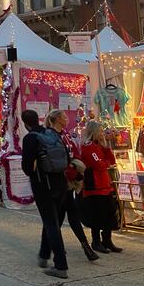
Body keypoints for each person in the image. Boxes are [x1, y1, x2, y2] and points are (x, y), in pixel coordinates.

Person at [21, 109, 70, 279]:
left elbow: (27, 168)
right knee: (50, 219)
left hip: (43, 185)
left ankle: (61, 265)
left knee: (51, 222)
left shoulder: (29, 138)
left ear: (25, 123)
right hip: (60, 183)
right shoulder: (51, 133)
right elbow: (67, 158)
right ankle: (43, 255)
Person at [45, 111, 99, 262]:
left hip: (68, 184)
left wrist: (78, 167)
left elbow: (73, 152)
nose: (67, 119)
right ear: (57, 120)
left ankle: (79, 247)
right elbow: (57, 160)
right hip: (60, 182)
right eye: (64, 117)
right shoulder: (51, 136)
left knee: (67, 216)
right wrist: (72, 173)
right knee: (60, 217)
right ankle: (56, 248)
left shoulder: (66, 135)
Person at [79, 121, 123, 254]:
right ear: (94, 132)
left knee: (109, 212)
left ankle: (107, 240)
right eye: (100, 131)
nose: (102, 134)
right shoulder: (88, 146)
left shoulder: (100, 145)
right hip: (94, 184)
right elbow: (98, 164)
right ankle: (96, 241)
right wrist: (106, 163)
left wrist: (106, 147)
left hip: (105, 183)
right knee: (97, 214)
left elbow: (111, 161)